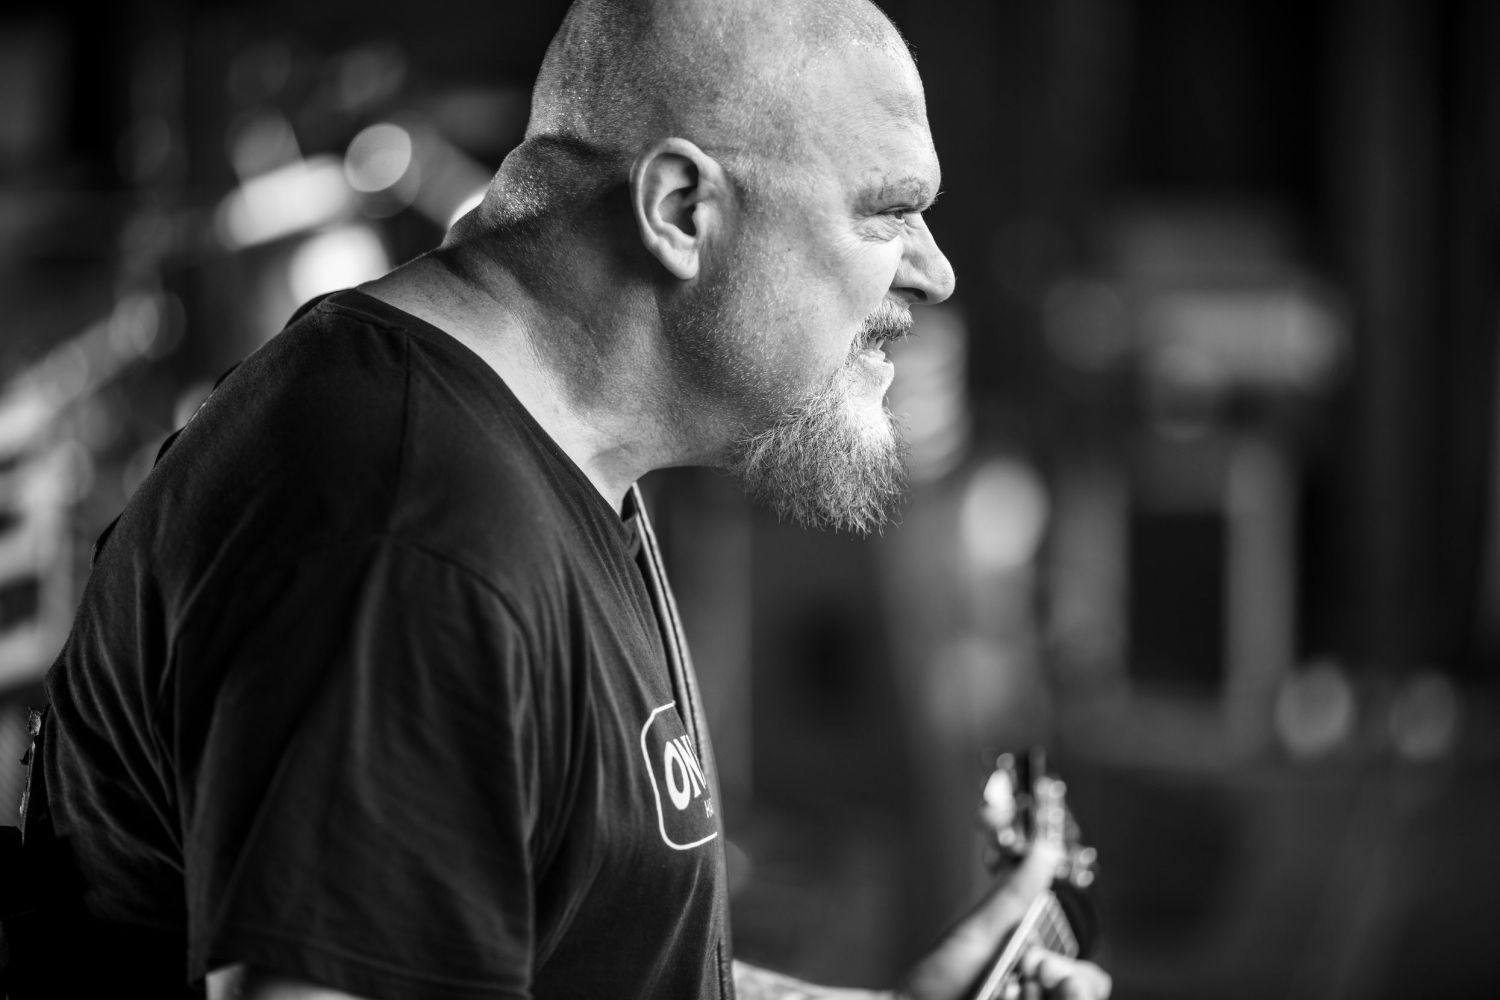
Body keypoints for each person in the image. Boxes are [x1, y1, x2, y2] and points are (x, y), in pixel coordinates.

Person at [29, 0, 1112, 998]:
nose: (934, 273)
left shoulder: (533, 452)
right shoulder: (416, 536)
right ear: (681, 209)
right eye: (887, 214)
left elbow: (572, 955)